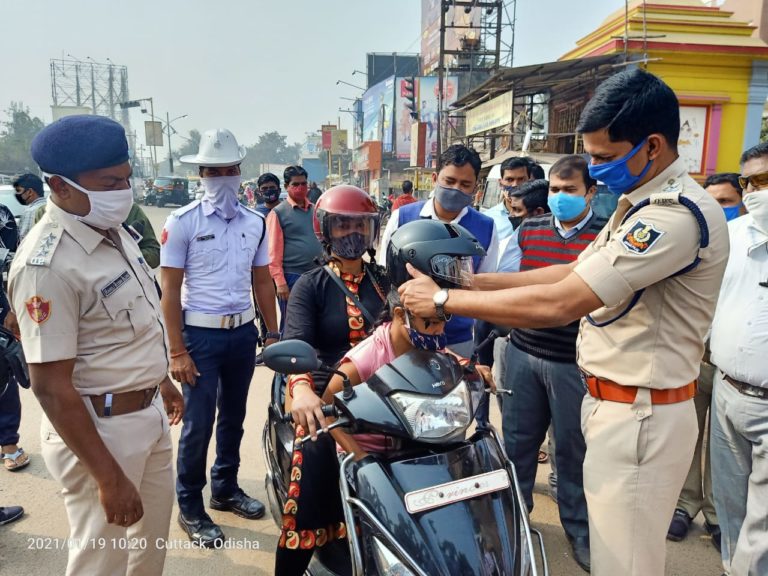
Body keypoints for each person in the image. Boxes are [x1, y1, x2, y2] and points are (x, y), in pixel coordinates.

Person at [399, 68, 729, 576]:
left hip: (641, 414)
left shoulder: (671, 218)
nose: (594, 170)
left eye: (604, 157)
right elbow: (569, 270)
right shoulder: (636, 206)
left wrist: (444, 299)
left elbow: (562, 302)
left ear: (654, 145)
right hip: (617, 405)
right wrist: (471, 284)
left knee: (627, 564)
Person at [9, 114, 184, 575]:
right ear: (59, 187)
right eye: (108, 182)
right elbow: (50, 388)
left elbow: (132, 327)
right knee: (101, 562)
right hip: (98, 431)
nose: (122, 192)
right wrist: (107, 477)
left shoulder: (114, 234)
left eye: (125, 179)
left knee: (150, 551)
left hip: (145, 415)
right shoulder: (46, 265)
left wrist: (160, 380)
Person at [160, 128, 279, 547]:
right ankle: (190, 506)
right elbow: (169, 291)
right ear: (201, 175)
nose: (222, 178)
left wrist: (274, 332)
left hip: (242, 335)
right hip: (200, 337)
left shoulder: (256, 223)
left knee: (233, 417)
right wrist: (176, 350)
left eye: (229, 170)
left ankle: (224, 489)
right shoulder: (182, 223)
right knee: (197, 425)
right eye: (213, 171)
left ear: (239, 172)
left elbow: (262, 280)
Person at [275, 184, 388, 575]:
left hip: (389, 390)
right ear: (325, 230)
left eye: (360, 225)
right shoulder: (311, 285)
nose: (352, 233)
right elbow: (296, 345)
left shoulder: (384, 281)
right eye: (342, 225)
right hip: (328, 394)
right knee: (315, 459)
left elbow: (411, 333)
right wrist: (303, 390)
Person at [501, 155, 607, 571]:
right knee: (518, 443)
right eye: (555, 191)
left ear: (590, 193)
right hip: (524, 354)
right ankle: (515, 520)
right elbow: (508, 282)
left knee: (572, 450)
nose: (561, 198)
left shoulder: (604, 236)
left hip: (573, 363)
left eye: (571, 190)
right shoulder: (529, 231)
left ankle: (578, 529)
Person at [665, 174, 740, 550]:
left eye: (726, 202)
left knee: (724, 445)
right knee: (689, 435)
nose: (718, 209)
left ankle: (716, 513)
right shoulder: (692, 241)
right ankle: (684, 504)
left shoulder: (746, 245)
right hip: (694, 355)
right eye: (712, 202)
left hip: (730, 362)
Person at [709, 141, 768, 576]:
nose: (753, 191)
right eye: (748, 181)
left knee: (761, 525)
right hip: (726, 390)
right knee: (730, 504)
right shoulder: (732, 234)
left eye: (764, 181)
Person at [378, 144, 499, 358]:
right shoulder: (403, 218)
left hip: (457, 338)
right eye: (449, 181)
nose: (456, 189)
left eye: (465, 184)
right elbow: (383, 275)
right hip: (404, 336)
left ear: (475, 187)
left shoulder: (486, 227)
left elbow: (484, 285)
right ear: (435, 179)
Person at [267, 165, 323, 332]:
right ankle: (289, 355)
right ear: (286, 187)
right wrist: (280, 283)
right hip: (292, 277)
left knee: (317, 320)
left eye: (304, 184)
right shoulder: (278, 213)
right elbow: (272, 253)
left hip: (317, 274)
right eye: (295, 184)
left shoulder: (316, 210)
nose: (300, 188)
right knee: (292, 322)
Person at [12, 173, 47, 242]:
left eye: (19, 191)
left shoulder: (31, 211)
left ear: (30, 192)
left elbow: (24, 240)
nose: (17, 194)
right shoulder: (50, 206)